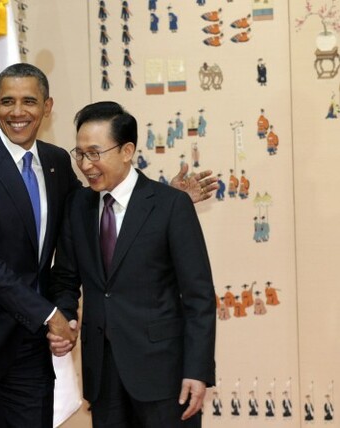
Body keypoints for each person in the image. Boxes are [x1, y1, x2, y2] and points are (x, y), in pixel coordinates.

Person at [0, 64, 217, 428]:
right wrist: (51, 315)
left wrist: (163, 200)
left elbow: (107, 203)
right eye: (8, 101)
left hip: (29, 346)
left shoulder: (57, 162)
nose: (18, 111)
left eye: (29, 101)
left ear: (47, 107)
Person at [48, 101, 216, 427]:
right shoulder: (77, 206)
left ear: (126, 151)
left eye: (95, 153)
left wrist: (197, 370)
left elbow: (199, 296)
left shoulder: (170, 205)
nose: (86, 165)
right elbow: (65, 279)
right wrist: (66, 319)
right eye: (80, 154)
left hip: (164, 374)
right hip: (102, 376)